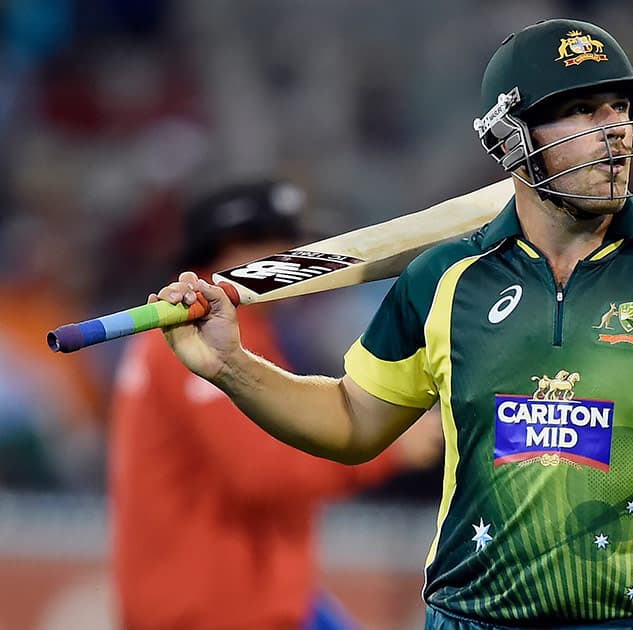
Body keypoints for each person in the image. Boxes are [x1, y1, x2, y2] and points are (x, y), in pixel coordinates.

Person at [149, 19, 633, 629]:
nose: (613, 128)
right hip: (470, 621)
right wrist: (232, 367)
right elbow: (354, 422)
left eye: (618, 106)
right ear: (512, 139)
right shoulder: (443, 278)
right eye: (579, 111)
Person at [109, 179, 441, 630]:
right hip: (214, 610)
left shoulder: (231, 332)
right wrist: (390, 448)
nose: (297, 261)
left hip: (249, 596)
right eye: (280, 246)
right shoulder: (192, 338)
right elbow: (261, 473)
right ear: (233, 249)